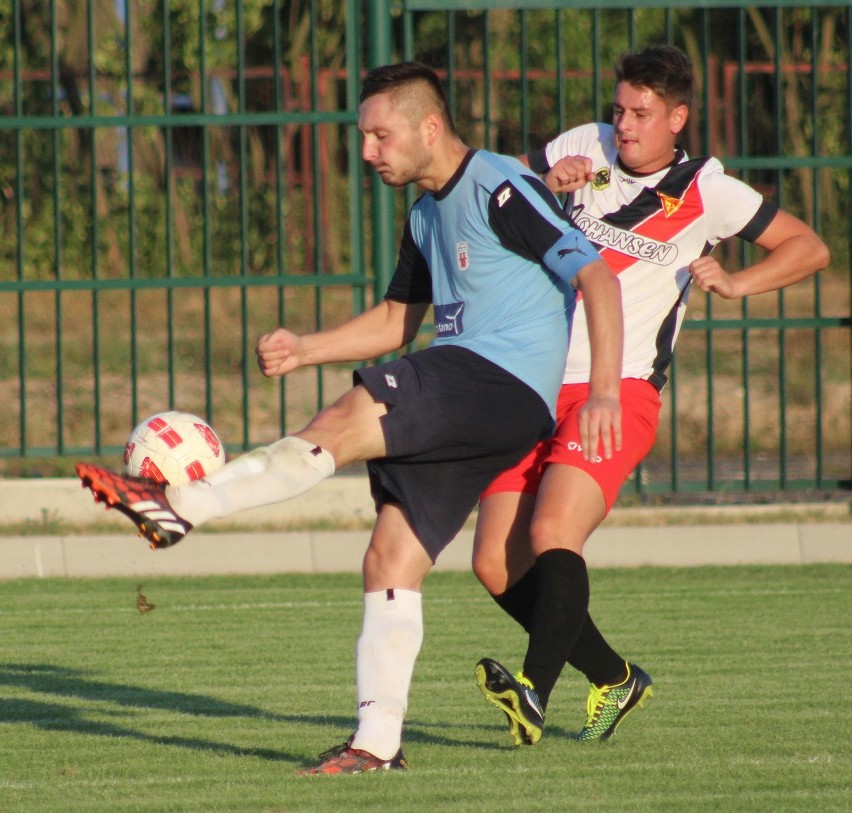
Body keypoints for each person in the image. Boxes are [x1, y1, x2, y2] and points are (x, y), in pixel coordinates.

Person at [75, 62, 624, 774]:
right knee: (390, 558)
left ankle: (183, 504)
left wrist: (605, 391)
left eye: (379, 134)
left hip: (496, 379)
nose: (368, 150)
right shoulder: (425, 212)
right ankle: (377, 743)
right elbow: (400, 317)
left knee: (343, 421)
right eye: (363, 135)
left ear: (430, 126)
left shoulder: (499, 184)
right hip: (473, 389)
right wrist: (309, 346)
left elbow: (596, 277)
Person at [472, 44, 830, 747]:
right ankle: (614, 676)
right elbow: (504, 212)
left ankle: (533, 694)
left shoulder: (708, 188)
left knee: (553, 535)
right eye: (619, 109)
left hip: (620, 390)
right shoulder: (584, 146)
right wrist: (548, 181)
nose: (624, 125)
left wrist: (737, 282)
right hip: (533, 378)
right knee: (493, 563)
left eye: (641, 113)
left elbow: (808, 248)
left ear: (678, 116)